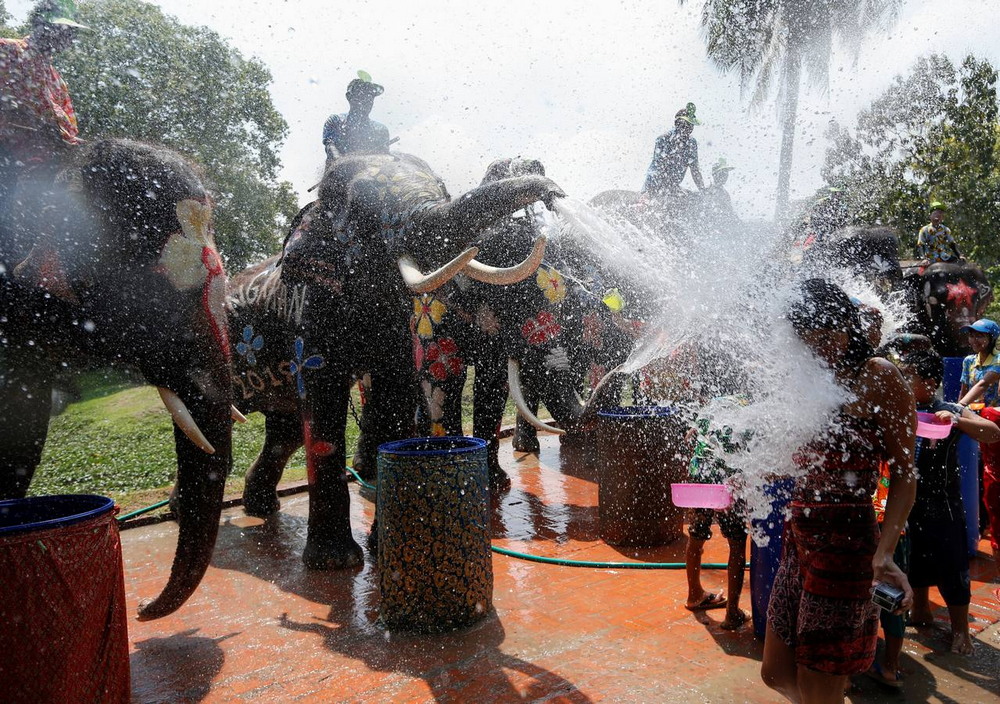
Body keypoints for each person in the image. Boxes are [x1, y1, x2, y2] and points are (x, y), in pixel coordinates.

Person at [761, 278, 916, 704]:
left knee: (820, 687)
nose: (821, 351)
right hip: (799, 544)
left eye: (829, 337)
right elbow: (803, 459)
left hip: (848, 552)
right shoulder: (803, 380)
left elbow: (906, 474)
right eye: (808, 343)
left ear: (849, 327)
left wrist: (884, 553)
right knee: (775, 674)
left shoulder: (879, 376)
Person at [898, 347, 1000, 655]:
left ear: (929, 382)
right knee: (913, 558)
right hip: (907, 501)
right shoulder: (900, 408)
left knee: (952, 562)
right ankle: (920, 611)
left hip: (944, 503)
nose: (903, 381)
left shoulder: (949, 408)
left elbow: (992, 432)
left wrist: (957, 421)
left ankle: (960, 632)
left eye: (909, 376)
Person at [0, 0, 87, 229]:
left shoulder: (57, 81)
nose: (67, 38)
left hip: (37, 172)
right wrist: (29, 123)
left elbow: (69, 135)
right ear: (41, 26)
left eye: (72, 33)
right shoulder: (7, 51)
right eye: (62, 30)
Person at [684, 393, 750, 631]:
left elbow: (689, 435)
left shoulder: (713, 404)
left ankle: (694, 594)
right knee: (736, 543)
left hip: (700, 473)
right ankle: (732, 613)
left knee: (697, 534)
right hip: (728, 479)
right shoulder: (751, 411)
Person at [321, 71, 390, 166]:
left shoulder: (380, 130)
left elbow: (385, 160)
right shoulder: (335, 121)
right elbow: (331, 148)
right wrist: (345, 164)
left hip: (372, 174)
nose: (367, 100)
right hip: (337, 174)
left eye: (370, 96)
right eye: (361, 95)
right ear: (349, 97)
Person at [641, 102, 705, 198]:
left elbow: (695, 170)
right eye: (685, 126)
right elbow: (659, 167)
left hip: (673, 186)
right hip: (654, 185)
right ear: (677, 124)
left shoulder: (691, 143)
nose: (688, 130)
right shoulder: (663, 139)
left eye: (691, 126)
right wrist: (650, 192)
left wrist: (702, 190)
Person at [958, 318, 1000, 407]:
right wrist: (956, 411)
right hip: (973, 414)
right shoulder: (969, 361)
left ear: (992, 338)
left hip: (994, 416)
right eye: (971, 336)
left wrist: (960, 405)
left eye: (979, 336)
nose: (974, 340)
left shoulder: (998, 359)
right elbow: (963, 393)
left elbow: (983, 384)